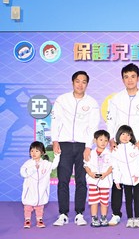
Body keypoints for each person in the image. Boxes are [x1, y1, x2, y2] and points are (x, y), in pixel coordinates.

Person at [106, 63, 139, 226]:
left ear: (138, 78)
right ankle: (116, 213)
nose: (130, 80)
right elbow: (111, 120)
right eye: (126, 77)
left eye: (133, 76)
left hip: (137, 145)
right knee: (118, 179)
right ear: (122, 79)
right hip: (119, 146)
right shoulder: (116, 99)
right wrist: (112, 139)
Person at [51, 71, 100, 226]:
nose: (80, 84)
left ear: (87, 84)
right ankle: (63, 214)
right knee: (63, 180)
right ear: (72, 82)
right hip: (64, 144)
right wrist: (55, 140)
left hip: (81, 146)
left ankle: (79, 213)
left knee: (81, 181)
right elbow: (55, 121)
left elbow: (93, 126)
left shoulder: (92, 102)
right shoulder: (62, 100)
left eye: (84, 82)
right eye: (77, 81)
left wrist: (87, 146)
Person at [20, 141, 60, 229]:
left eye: (37, 151)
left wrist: (57, 156)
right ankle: (27, 220)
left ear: (42, 152)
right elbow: (23, 173)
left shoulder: (45, 164)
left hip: (41, 190)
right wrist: (33, 169)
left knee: (40, 206)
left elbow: (54, 165)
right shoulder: (28, 163)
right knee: (28, 206)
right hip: (30, 190)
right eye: (32, 151)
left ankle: (39, 220)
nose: (34, 153)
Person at [111, 125, 139, 228]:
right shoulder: (116, 151)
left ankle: (137, 218)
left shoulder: (135, 148)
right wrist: (117, 180)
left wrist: (137, 175)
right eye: (123, 134)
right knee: (128, 199)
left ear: (131, 137)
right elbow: (115, 167)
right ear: (118, 135)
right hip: (125, 180)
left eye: (128, 135)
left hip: (137, 179)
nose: (125, 137)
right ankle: (130, 218)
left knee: (137, 199)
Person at [83, 130, 113, 227]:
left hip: (105, 181)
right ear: (95, 140)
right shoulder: (90, 153)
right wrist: (90, 173)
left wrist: (106, 174)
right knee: (94, 201)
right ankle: (94, 218)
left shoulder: (110, 153)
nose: (103, 142)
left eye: (105, 140)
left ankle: (104, 218)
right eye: (100, 140)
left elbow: (112, 166)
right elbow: (86, 165)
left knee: (104, 201)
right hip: (93, 182)